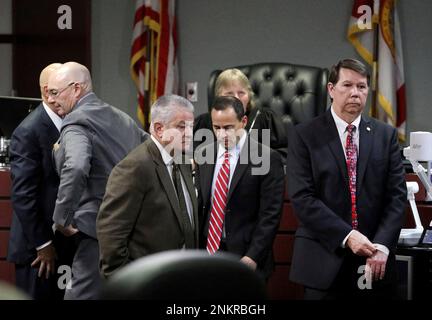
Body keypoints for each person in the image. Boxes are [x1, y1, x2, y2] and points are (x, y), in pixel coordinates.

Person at [286, 58, 407, 299]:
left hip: (374, 260)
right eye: (347, 85)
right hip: (323, 258)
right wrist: (348, 236)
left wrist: (382, 245)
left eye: (361, 87)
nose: (355, 93)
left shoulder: (386, 135)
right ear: (331, 89)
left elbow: (396, 197)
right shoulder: (304, 135)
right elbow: (302, 198)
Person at [47, 62, 149, 299]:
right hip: (133, 227)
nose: (51, 100)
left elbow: (76, 165)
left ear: (76, 89)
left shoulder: (76, 122)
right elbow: (153, 155)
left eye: (54, 92)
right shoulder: (121, 117)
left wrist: (62, 217)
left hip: (96, 231)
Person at [97, 94, 199, 278]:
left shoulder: (182, 159)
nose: (189, 134)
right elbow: (111, 233)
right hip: (147, 281)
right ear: (159, 129)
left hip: (184, 275)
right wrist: (125, 283)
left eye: (191, 127)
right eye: (181, 127)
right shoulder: (134, 167)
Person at [196, 95, 285, 280]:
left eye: (228, 127)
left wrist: (253, 256)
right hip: (208, 254)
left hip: (246, 255)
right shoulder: (203, 154)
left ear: (243, 121)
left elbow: (270, 215)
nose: (222, 134)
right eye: (216, 127)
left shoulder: (267, 158)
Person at [7, 63, 67, 300]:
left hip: (64, 243)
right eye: (64, 88)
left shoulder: (71, 122)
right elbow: (23, 195)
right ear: (47, 91)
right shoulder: (28, 131)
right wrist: (43, 244)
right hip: (37, 250)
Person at [193, 68, 287, 160]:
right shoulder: (204, 122)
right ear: (218, 96)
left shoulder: (266, 119)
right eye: (229, 93)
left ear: (249, 95)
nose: (237, 98)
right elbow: (191, 157)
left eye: (241, 93)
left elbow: (283, 155)